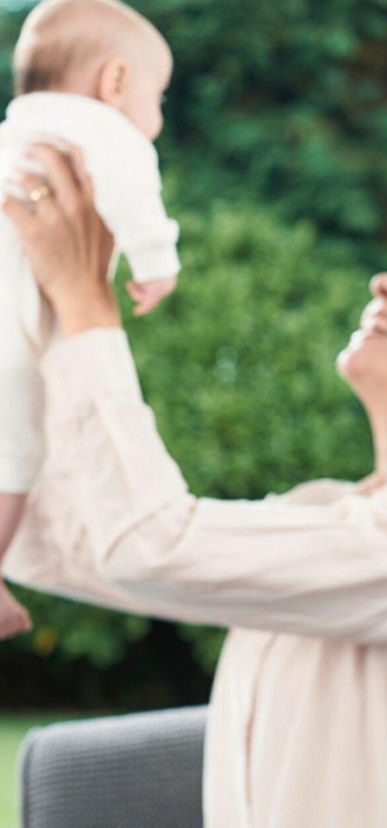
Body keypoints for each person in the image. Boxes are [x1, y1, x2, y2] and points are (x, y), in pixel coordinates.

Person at [1, 142, 387, 825]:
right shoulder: (323, 509)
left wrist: (83, 302)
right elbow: (81, 542)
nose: (384, 283)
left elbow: (147, 543)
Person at [0, 0, 178, 638]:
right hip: (19, 315)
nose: (155, 117)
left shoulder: (16, 130)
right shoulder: (106, 131)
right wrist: (155, 260)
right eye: (158, 96)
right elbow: (133, 191)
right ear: (117, 82)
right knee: (16, 443)